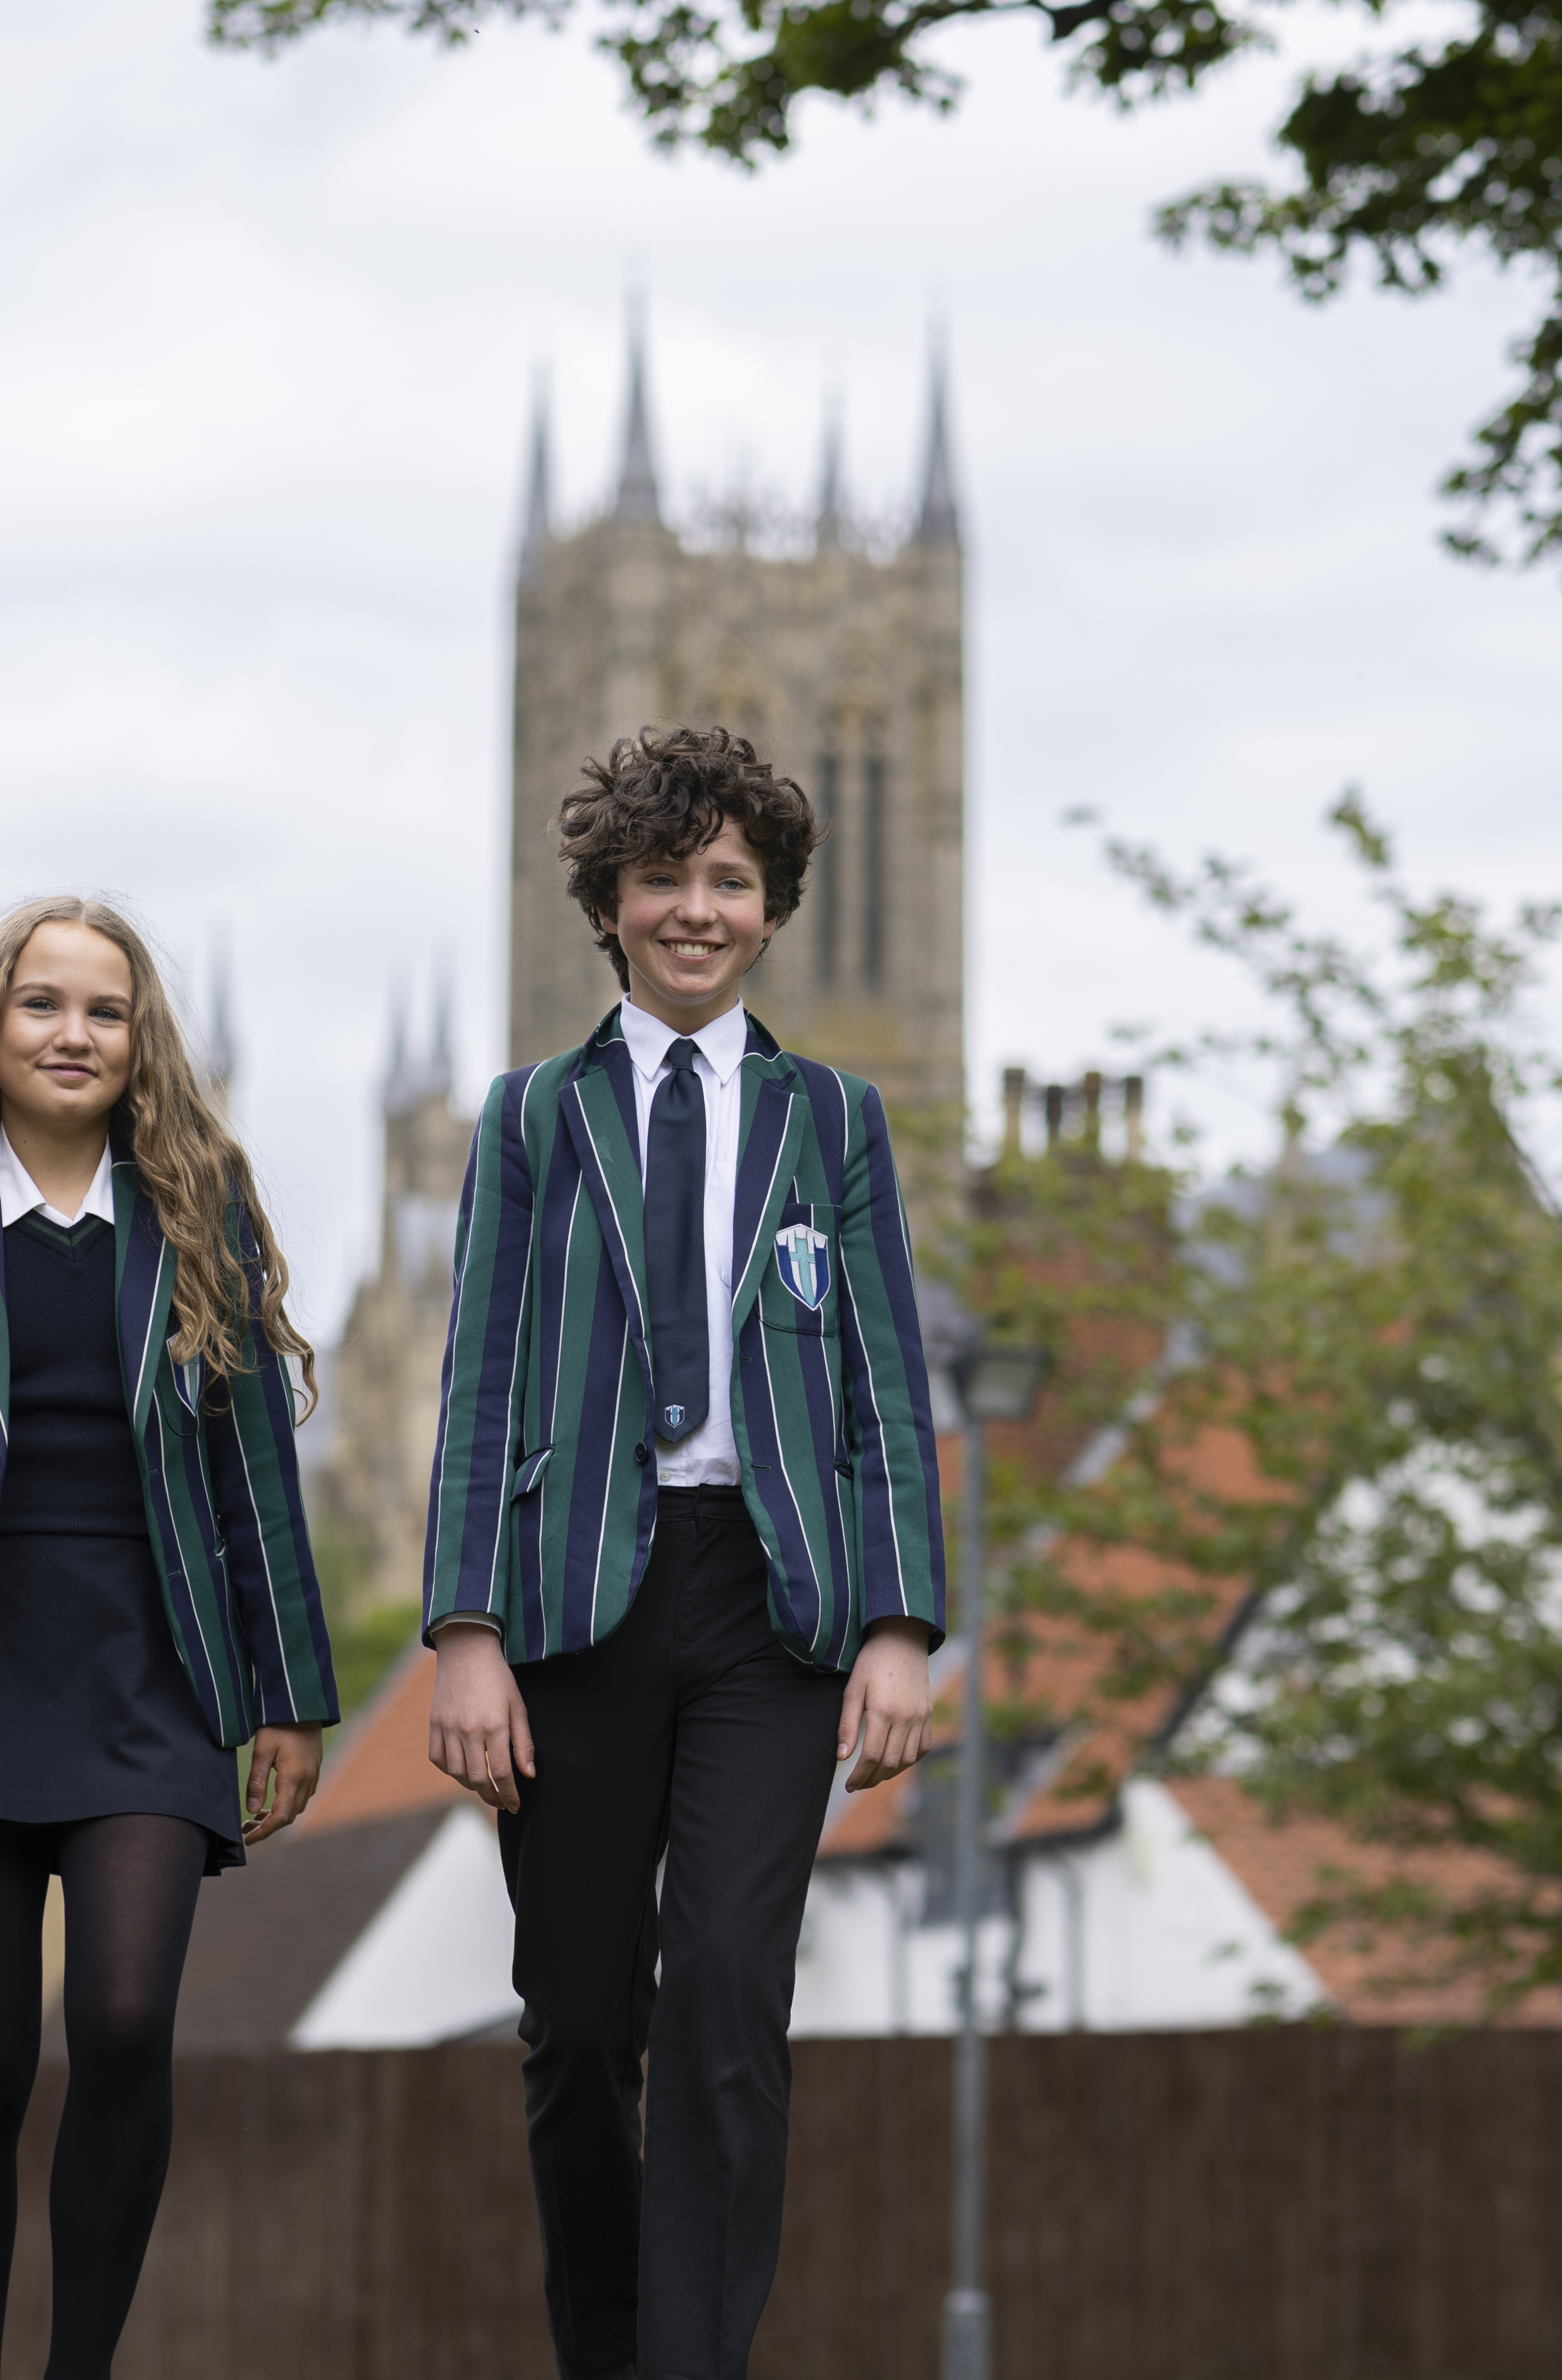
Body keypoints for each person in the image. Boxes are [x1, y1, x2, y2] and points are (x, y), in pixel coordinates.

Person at [423, 725, 948, 2380]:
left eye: (729, 879)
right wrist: (463, 1629)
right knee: (581, 2018)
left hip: (768, 1604)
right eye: (664, 879)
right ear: (610, 905)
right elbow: (480, 1376)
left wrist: (899, 1623)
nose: (697, 910)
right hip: (576, 1600)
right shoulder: (530, 1117)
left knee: (726, 1990)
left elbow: (883, 1377)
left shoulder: (833, 1119)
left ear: (771, 907)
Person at [0, 896, 340, 2380]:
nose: (73, 1032)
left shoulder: (200, 1217)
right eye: (43, 1003)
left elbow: (254, 1471)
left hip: (154, 1681)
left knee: (128, 2014)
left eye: (105, 1009)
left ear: (141, 1041)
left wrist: (290, 1692)